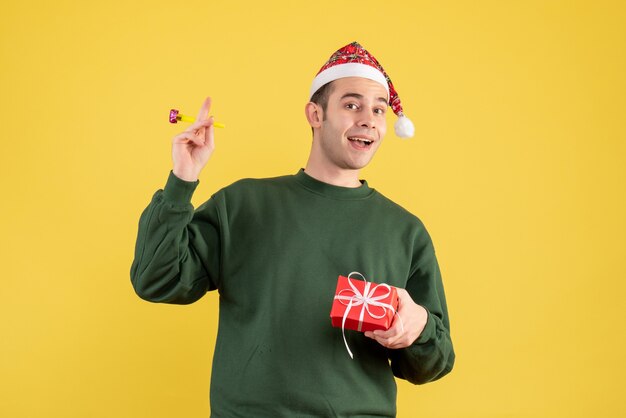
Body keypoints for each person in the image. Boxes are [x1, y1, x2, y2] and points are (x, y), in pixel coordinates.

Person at [131, 41, 454, 417]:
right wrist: (182, 180)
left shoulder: (405, 232)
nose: (368, 119)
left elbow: (434, 362)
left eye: (379, 110)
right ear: (315, 114)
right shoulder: (242, 205)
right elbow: (155, 278)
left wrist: (418, 327)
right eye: (352, 105)